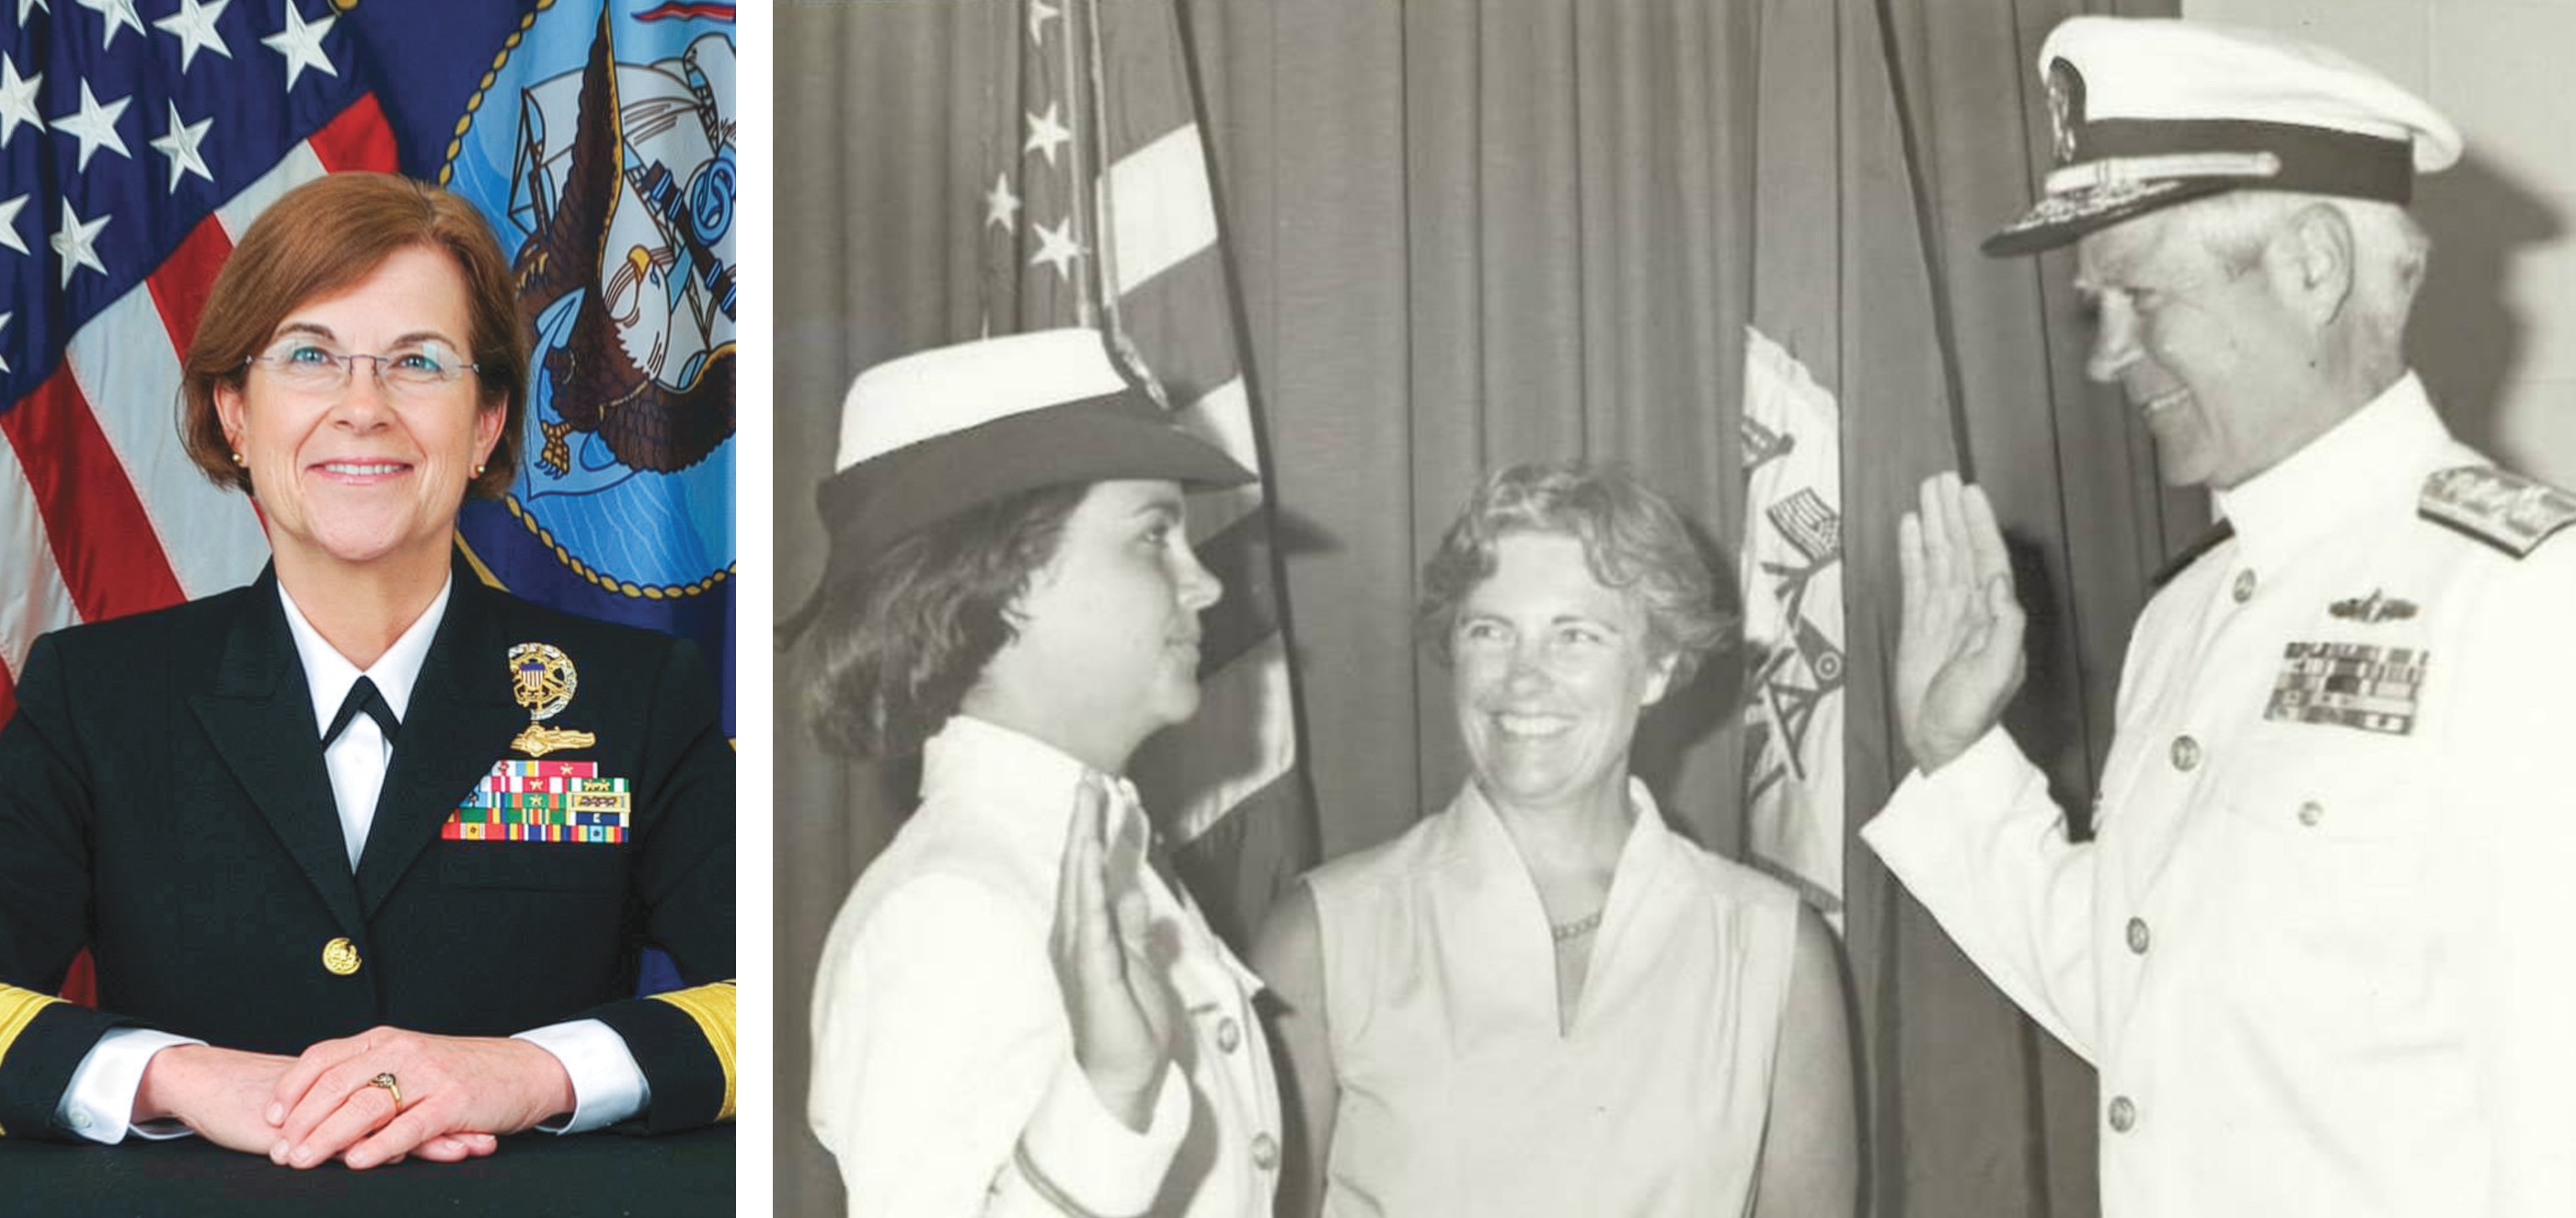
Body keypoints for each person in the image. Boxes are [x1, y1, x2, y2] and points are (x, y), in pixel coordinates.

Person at [1868, 17, 2576, 1217]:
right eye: (2097, 308)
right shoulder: (2185, 618)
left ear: (2311, 268)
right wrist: (1959, 757)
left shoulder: (2522, 601)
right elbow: (2161, 1018)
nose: (2108, 356)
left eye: (2142, 297)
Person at [0, 173, 763, 1169]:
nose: (363, 407)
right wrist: (173, 1074)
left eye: (418, 362)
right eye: (309, 356)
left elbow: (806, 995)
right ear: (235, 413)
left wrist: (538, 1070)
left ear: (485, 421)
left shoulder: (633, 698)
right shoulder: (97, 699)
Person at [1254, 462, 1855, 1218]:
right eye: (1490, 631)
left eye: (1575, 636)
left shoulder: (1771, 945)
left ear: (1658, 666)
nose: (1522, 680)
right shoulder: (1322, 934)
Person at [799, 328, 1282, 1216]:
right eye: (1153, 536)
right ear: (1011, 580)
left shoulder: (1080, 860)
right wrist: (1108, 1097)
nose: (1204, 583)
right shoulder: (951, 909)